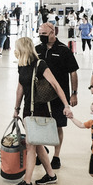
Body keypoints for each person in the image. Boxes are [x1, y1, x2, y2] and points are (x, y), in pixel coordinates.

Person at [10, 37, 73, 185]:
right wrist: (16, 108)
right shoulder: (21, 65)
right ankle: (51, 175)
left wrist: (66, 105)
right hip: (27, 110)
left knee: (31, 145)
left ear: (22, 49)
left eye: (16, 47)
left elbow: (56, 86)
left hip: (39, 110)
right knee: (37, 145)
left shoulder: (40, 65)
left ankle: (27, 182)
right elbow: (20, 89)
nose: (14, 50)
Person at [35, 23, 79, 170]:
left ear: (53, 32)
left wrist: (74, 93)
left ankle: (56, 156)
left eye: (44, 34)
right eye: (40, 33)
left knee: (58, 125)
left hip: (59, 96)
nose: (41, 36)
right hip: (40, 95)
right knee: (39, 124)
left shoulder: (63, 50)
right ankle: (41, 152)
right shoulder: (37, 49)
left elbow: (73, 72)